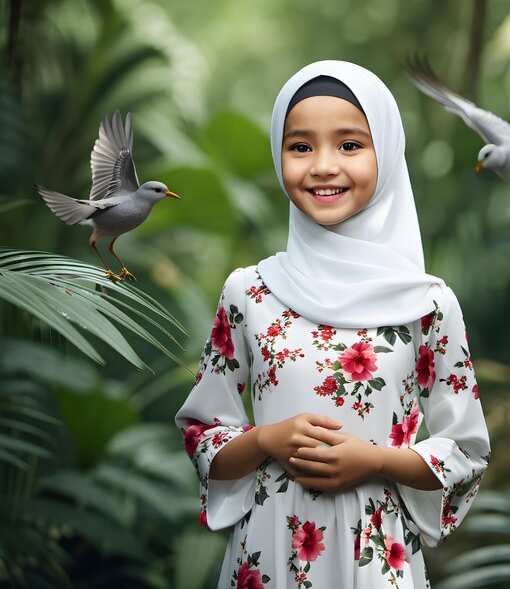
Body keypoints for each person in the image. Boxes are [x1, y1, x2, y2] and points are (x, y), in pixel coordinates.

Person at [175, 60, 491, 589]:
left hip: (375, 555)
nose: (323, 166)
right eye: (300, 146)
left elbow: (466, 449)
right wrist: (266, 439)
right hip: (268, 551)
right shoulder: (249, 292)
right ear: (279, 156)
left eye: (349, 145)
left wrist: (377, 460)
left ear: (386, 153)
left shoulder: (428, 305)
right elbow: (202, 437)